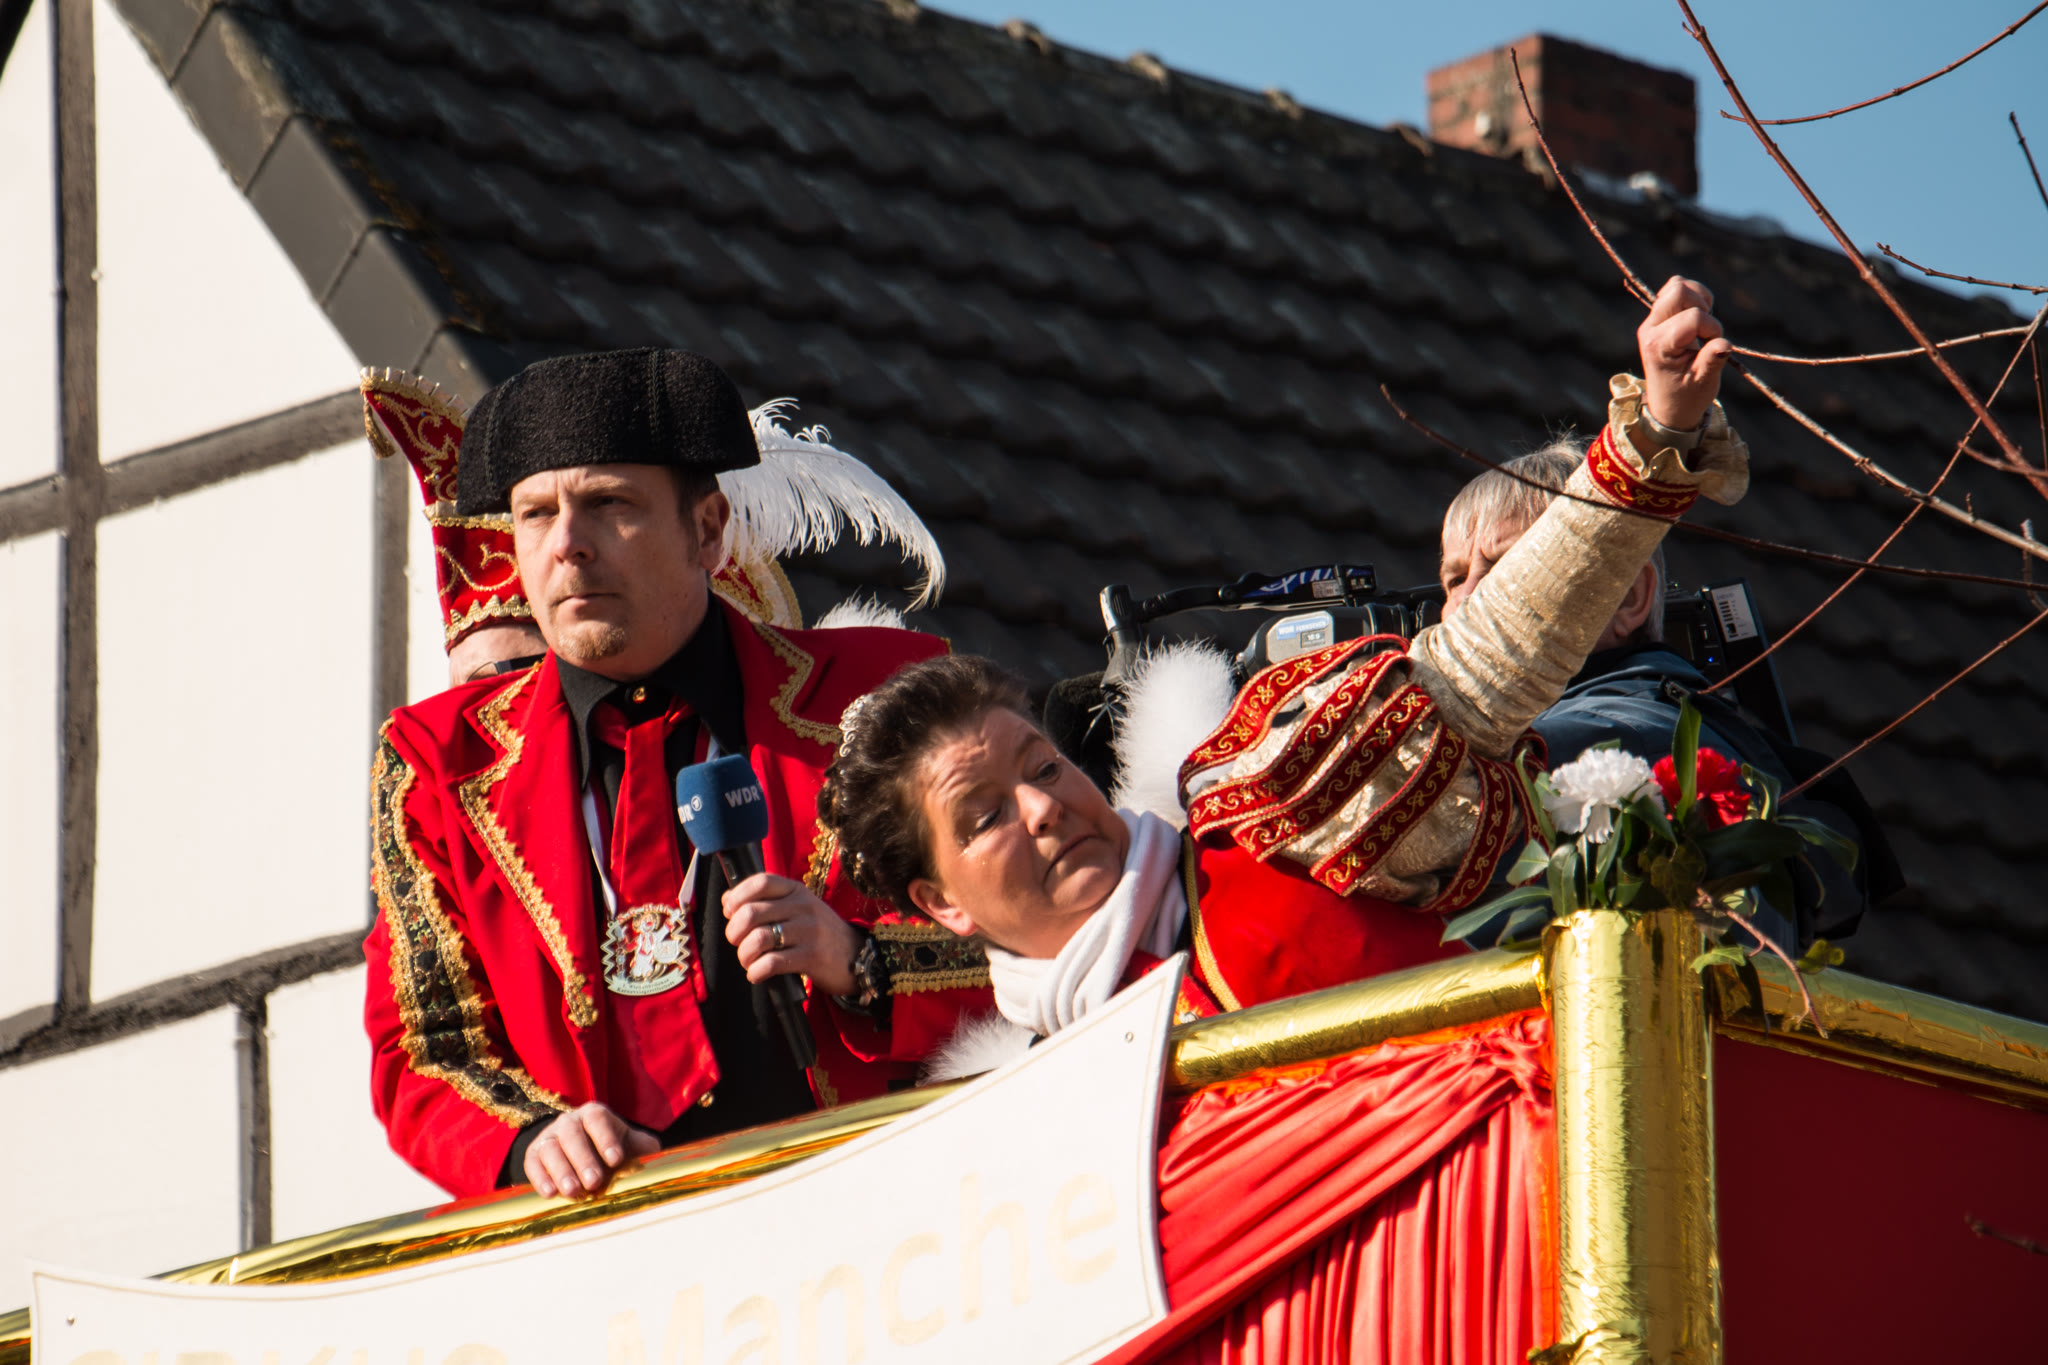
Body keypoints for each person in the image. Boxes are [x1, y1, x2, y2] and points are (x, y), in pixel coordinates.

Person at [817, 277, 1757, 1067]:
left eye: (1042, 766)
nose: (1043, 807)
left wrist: (1649, 443)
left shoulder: (1272, 808)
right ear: (942, 903)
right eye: (984, 816)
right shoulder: (1033, 1110)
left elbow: (1484, 663)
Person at [363, 348, 988, 1201]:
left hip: (881, 1216)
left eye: (608, 504)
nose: (567, 545)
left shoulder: (887, 693)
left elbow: (1037, 929)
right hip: (616, 1255)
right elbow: (424, 1048)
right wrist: (530, 1138)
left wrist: (861, 960)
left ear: (707, 529)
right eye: (535, 515)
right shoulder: (434, 762)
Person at [1440, 444, 1890, 949]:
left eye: (1509, 568)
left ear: (1628, 598)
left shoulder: (1604, 740)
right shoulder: (1675, 723)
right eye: (1454, 579)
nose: (1467, 598)